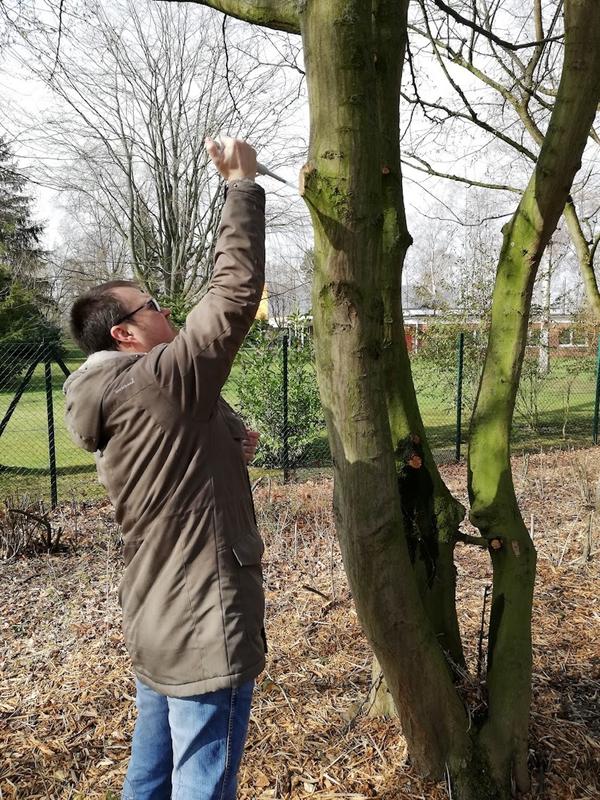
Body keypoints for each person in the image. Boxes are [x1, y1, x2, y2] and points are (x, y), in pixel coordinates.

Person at [63, 137, 266, 800]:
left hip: (156, 617)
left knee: (147, 780)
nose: (166, 311)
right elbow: (232, 296)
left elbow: (198, 422)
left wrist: (231, 438)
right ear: (125, 333)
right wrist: (240, 184)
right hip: (204, 619)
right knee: (202, 785)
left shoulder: (115, 391)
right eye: (151, 307)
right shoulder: (156, 381)